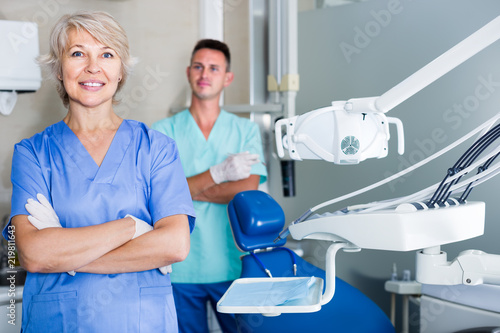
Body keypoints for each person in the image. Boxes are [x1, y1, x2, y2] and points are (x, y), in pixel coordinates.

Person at [1, 11, 196, 332]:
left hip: (142, 321)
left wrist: (65, 256)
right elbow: (33, 255)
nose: (93, 67)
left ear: (120, 71)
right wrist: (131, 228)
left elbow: (175, 245)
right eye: (77, 53)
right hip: (59, 322)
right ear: (59, 69)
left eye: (107, 54)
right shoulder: (33, 153)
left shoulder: (156, 148)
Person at [152, 39, 267, 333]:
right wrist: (219, 174)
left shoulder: (245, 130)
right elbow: (158, 195)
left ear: (227, 77)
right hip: (179, 266)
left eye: (214, 68)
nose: (205, 74)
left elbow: (246, 194)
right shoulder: (163, 132)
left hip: (233, 264)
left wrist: (183, 190)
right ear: (189, 72)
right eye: (199, 67)